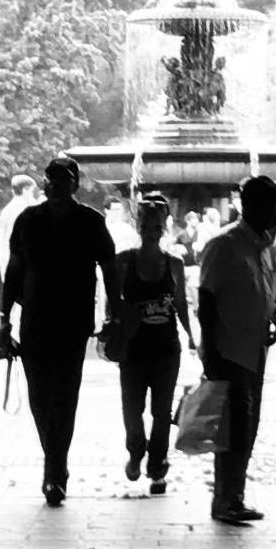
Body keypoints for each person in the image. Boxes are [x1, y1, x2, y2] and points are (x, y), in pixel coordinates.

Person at [0, 157, 117, 505]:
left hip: (73, 323)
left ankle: (54, 470)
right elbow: (14, 270)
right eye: (48, 180)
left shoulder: (91, 222)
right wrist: (4, 318)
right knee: (38, 398)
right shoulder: (28, 220)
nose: (53, 186)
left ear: (75, 184)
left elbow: (110, 268)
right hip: (34, 321)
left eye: (61, 180)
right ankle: (55, 460)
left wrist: (114, 314)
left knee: (64, 396)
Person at [193, 172, 276, 523]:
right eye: (273, 204)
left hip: (256, 350)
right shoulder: (224, 245)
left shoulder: (267, 246)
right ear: (252, 206)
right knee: (232, 428)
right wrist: (210, 352)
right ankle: (224, 500)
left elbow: (272, 291)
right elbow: (205, 300)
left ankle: (235, 496)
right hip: (229, 351)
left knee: (247, 427)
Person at [106, 190, 185, 490]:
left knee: (162, 411)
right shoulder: (123, 261)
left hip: (166, 347)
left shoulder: (174, 264)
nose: (151, 233)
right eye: (145, 228)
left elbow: (181, 304)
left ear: (163, 229)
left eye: (156, 228)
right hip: (133, 346)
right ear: (138, 228)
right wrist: (112, 327)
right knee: (132, 408)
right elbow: (112, 301)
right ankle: (136, 450)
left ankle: (157, 465)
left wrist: (193, 338)